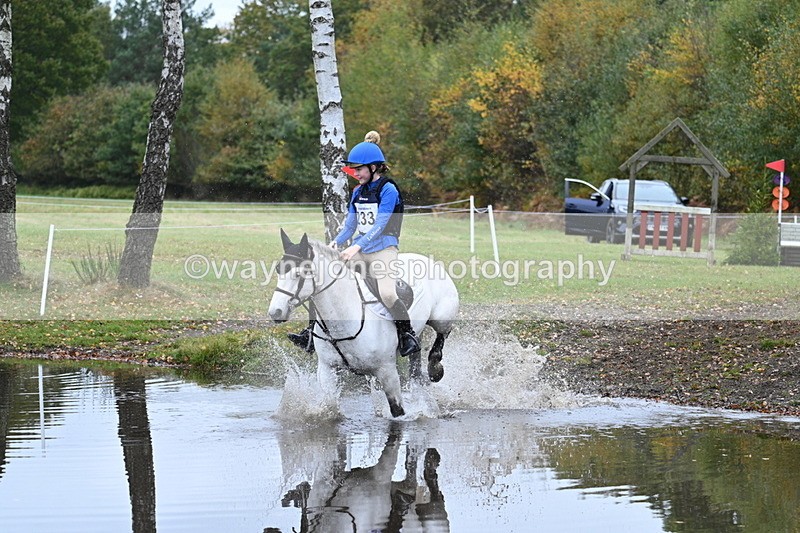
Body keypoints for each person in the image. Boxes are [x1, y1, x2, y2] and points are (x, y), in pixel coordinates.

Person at [288, 131, 421, 356]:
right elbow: (350, 226)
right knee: (321, 278)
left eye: (358, 169)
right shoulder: (358, 191)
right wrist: (336, 242)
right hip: (361, 248)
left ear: (374, 167)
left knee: (388, 294)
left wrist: (355, 247)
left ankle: (407, 335)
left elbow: (380, 225)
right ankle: (310, 333)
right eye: (353, 169)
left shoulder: (388, 190)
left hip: (384, 250)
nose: (355, 174)